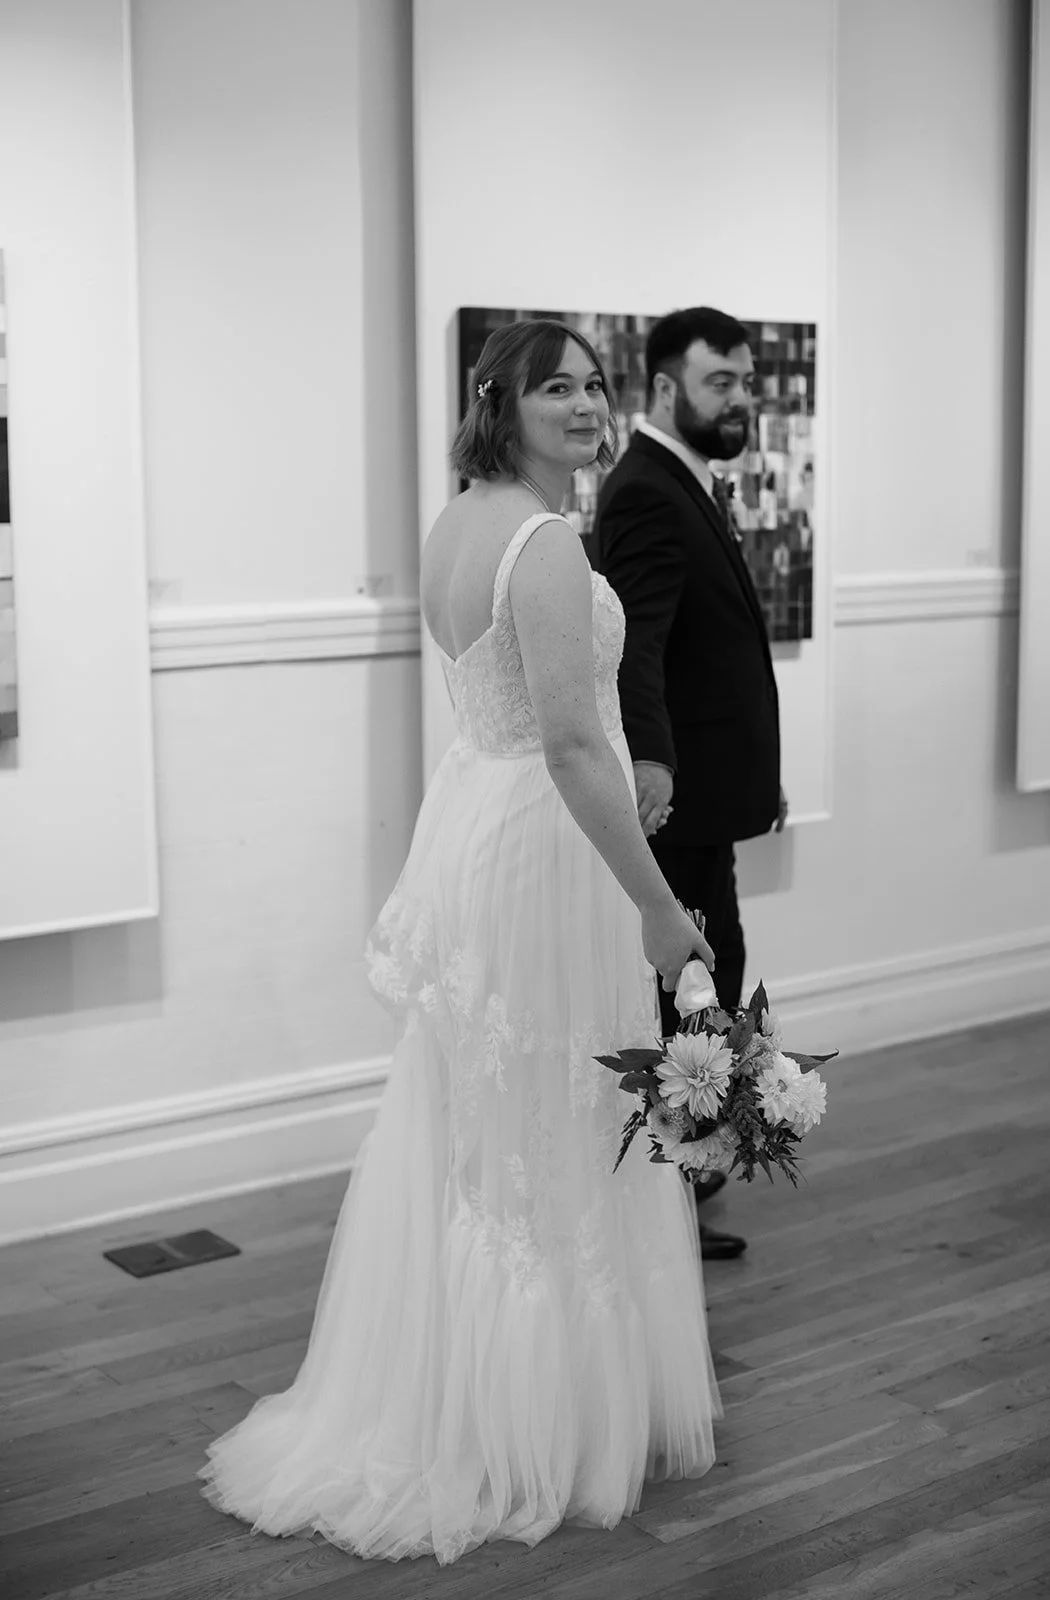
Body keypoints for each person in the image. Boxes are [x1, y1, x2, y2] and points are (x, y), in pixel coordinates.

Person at [199, 320, 722, 1566]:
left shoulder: (456, 523)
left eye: (597, 387)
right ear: (503, 402)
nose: (587, 409)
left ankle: (465, 1394)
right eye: (558, 389)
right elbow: (575, 744)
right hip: (543, 848)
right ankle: (526, 1424)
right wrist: (656, 904)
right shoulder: (540, 543)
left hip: (482, 829)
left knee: (486, 1128)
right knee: (548, 1128)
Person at [590, 306, 786, 1261]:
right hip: (679, 806)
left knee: (714, 981)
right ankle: (662, 1205)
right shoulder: (644, 491)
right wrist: (656, 766)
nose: (740, 397)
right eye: (722, 381)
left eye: (746, 380)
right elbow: (639, 652)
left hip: (710, 801)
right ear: (667, 387)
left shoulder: (680, 481)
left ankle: (679, 1189)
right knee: (690, 997)